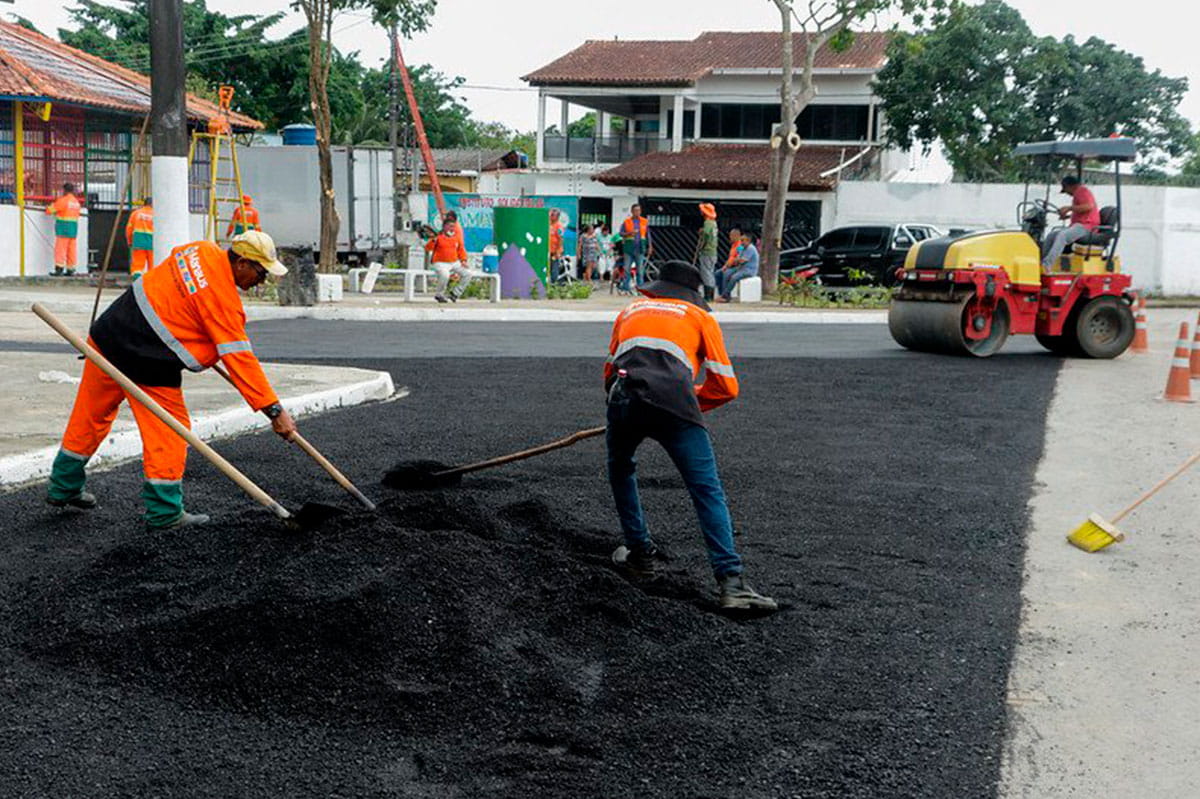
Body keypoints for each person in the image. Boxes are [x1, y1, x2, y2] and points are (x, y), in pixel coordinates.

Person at [46, 231, 296, 529]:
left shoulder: (199, 249)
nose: (262, 281)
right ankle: (165, 513)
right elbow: (241, 362)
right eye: (261, 272)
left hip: (108, 336)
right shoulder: (224, 303)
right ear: (242, 263)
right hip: (147, 361)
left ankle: (63, 486)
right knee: (169, 433)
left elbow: (178, 291)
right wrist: (273, 410)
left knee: (90, 415)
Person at [605, 260, 777, 611]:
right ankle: (732, 584)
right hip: (676, 408)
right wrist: (686, 399)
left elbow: (610, 372)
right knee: (706, 490)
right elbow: (726, 386)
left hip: (624, 399)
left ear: (658, 288)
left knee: (621, 469)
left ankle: (639, 554)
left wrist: (628, 408)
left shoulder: (630, 310)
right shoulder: (700, 318)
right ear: (693, 294)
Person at [1041, 175, 1101, 269]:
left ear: (1070, 186)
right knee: (1051, 235)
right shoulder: (1077, 194)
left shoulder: (1082, 191)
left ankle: (1047, 265)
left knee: (1062, 236)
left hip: (1087, 227)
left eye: (1066, 190)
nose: (1067, 194)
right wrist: (1068, 216)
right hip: (1079, 225)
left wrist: (1069, 208)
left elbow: (1089, 206)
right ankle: (1041, 261)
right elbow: (1081, 212)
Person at [426, 212, 473, 303]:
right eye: (450, 226)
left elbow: (461, 250)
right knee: (445, 275)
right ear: (444, 227)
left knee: (468, 273)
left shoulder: (456, 237)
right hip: (440, 262)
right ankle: (439, 294)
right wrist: (433, 240)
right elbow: (427, 248)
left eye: (453, 226)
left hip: (454, 262)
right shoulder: (438, 237)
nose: (452, 228)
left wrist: (463, 260)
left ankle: (455, 293)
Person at [46, 183, 82, 276]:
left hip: (63, 229)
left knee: (60, 249)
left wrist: (49, 207)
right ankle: (71, 269)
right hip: (73, 229)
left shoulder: (63, 201)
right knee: (71, 250)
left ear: (65, 190)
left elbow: (49, 210)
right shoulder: (76, 202)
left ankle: (59, 269)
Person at [716, 230, 758, 302]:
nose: (741, 242)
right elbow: (736, 256)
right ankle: (725, 295)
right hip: (741, 268)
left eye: (742, 240)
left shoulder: (750, 248)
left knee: (734, 277)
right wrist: (736, 260)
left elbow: (742, 260)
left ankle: (725, 295)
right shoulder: (741, 247)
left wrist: (736, 260)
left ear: (748, 241)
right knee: (726, 273)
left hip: (748, 270)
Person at [619, 203, 653, 286]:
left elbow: (647, 235)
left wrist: (650, 247)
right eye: (635, 210)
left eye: (639, 210)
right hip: (629, 249)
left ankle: (640, 288)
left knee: (640, 270)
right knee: (627, 269)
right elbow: (620, 233)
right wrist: (629, 233)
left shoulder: (644, 222)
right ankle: (626, 287)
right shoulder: (626, 222)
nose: (637, 212)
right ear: (632, 211)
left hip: (640, 249)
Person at [125, 197, 154, 277]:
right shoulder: (156, 214)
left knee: (137, 266)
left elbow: (129, 229)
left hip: (138, 242)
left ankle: (136, 283)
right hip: (152, 243)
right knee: (152, 266)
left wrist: (130, 241)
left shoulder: (135, 213)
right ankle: (151, 285)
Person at [696, 203, 719, 302]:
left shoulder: (708, 222)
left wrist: (701, 247)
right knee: (710, 272)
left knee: (706, 273)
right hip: (713, 251)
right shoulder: (714, 223)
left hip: (707, 251)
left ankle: (708, 296)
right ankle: (711, 294)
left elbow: (705, 235)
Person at [549, 208, 567, 282]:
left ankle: (554, 284)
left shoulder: (559, 226)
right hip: (548, 250)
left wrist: (558, 251)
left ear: (557, 217)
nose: (550, 216)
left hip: (555, 251)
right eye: (550, 215)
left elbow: (561, 239)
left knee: (554, 268)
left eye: (553, 215)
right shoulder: (549, 224)